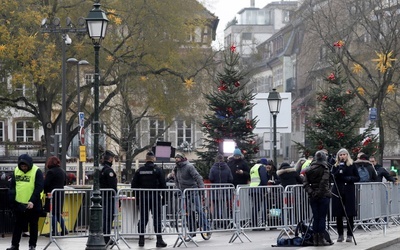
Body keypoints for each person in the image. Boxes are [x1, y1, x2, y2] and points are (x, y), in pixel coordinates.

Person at [7, 154, 44, 250]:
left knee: (33, 226)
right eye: (22, 166)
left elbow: (39, 187)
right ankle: (14, 245)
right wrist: (13, 201)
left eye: (25, 166)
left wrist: (32, 201)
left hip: (33, 204)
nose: (24, 168)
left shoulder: (37, 171)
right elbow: (13, 187)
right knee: (17, 225)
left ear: (29, 164)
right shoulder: (16, 170)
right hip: (19, 203)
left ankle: (32, 245)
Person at [131, 151, 168, 247]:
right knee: (157, 218)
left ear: (146, 159)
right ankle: (159, 240)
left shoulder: (139, 170)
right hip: (155, 197)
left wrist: (138, 198)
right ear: (154, 159)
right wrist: (164, 198)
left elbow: (134, 185)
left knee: (143, 218)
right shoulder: (158, 170)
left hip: (143, 197)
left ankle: (141, 240)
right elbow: (163, 185)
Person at [174, 152, 210, 241]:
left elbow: (198, 177)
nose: (176, 160)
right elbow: (177, 181)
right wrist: (178, 190)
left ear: (182, 158)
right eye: (175, 158)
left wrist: (201, 189)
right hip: (184, 192)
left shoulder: (189, 166)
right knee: (188, 212)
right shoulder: (176, 168)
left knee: (199, 209)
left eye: (178, 158)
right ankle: (192, 231)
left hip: (193, 190)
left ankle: (206, 228)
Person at [303, 151, 333, 246]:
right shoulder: (325, 168)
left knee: (316, 217)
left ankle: (315, 239)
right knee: (322, 218)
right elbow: (324, 182)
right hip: (323, 195)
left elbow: (305, 184)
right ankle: (321, 239)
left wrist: (312, 192)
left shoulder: (308, 169)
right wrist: (319, 193)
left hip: (313, 196)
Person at [331, 148, 360, 243]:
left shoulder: (352, 165)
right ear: (338, 156)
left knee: (349, 213)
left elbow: (357, 177)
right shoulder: (335, 166)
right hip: (338, 190)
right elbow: (332, 177)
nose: (342, 156)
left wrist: (349, 178)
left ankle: (349, 234)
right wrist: (339, 171)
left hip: (348, 190)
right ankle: (340, 234)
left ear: (347, 155)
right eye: (340, 155)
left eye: (344, 154)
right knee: (338, 213)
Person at [43, 156, 68, 236]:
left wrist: (45, 192)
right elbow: (65, 183)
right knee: (57, 213)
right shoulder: (62, 171)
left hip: (52, 195)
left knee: (53, 213)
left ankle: (54, 231)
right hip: (60, 194)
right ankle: (64, 230)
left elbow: (46, 184)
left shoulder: (51, 172)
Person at [208, 154, 234, 229]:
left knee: (216, 207)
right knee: (224, 206)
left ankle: (216, 222)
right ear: (223, 159)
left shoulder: (213, 168)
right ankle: (224, 222)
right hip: (225, 190)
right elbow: (230, 178)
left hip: (215, 190)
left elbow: (211, 178)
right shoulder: (227, 168)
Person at [99, 150, 118, 245]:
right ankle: (106, 238)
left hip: (102, 197)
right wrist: (116, 194)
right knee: (108, 217)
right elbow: (112, 186)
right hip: (108, 197)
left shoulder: (100, 169)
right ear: (110, 159)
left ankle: (106, 237)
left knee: (105, 217)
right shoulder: (108, 170)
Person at [249, 158, 268, 230]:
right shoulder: (261, 167)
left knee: (255, 207)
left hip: (252, 188)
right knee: (258, 207)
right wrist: (265, 189)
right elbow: (263, 179)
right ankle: (257, 225)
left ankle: (254, 224)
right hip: (259, 189)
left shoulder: (253, 167)